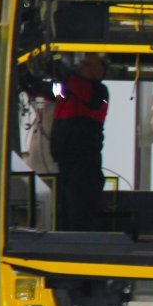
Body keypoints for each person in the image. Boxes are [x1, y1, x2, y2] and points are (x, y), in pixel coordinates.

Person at [49, 53, 109, 231]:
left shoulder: (99, 92)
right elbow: (49, 90)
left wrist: (61, 71)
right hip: (66, 164)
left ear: (96, 71)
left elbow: (84, 92)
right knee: (64, 215)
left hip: (84, 167)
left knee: (80, 214)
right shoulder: (70, 90)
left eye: (85, 64)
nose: (80, 66)